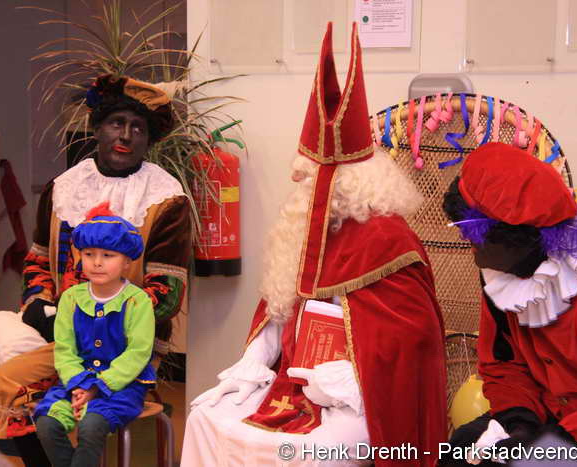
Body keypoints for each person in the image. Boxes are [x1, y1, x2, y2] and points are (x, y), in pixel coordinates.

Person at [181, 23, 446, 467]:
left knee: (311, 453)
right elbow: (279, 310)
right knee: (206, 418)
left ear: (355, 179)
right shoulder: (300, 231)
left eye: (318, 177)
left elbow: (412, 342)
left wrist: (353, 380)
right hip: (290, 382)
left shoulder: (389, 240)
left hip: (358, 398)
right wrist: (254, 359)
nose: (305, 185)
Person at [0, 74, 191, 466]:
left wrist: (91, 317)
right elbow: (38, 260)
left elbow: (167, 294)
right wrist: (39, 304)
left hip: (119, 340)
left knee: (10, 380)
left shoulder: (166, 198)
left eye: (138, 128)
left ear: (149, 140)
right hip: (50, 324)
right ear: (97, 128)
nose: (126, 135)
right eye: (117, 123)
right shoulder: (64, 186)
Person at [439, 142, 577, 466]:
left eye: (476, 237)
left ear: (516, 238)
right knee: (461, 450)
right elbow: (503, 366)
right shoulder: (500, 277)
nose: (471, 248)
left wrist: (552, 441)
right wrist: (519, 426)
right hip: (545, 415)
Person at [34, 203, 155, 467]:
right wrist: (79, 384)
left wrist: (97, 386)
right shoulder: (71, 298)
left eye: (108, 255)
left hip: (121, 387)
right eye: (89, 254)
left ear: (127, 261)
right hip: (76, 383)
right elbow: (64, 349)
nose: (97, 262)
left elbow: (138, 353)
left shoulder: (137, 301)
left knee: (91, 426)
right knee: (46, 423)